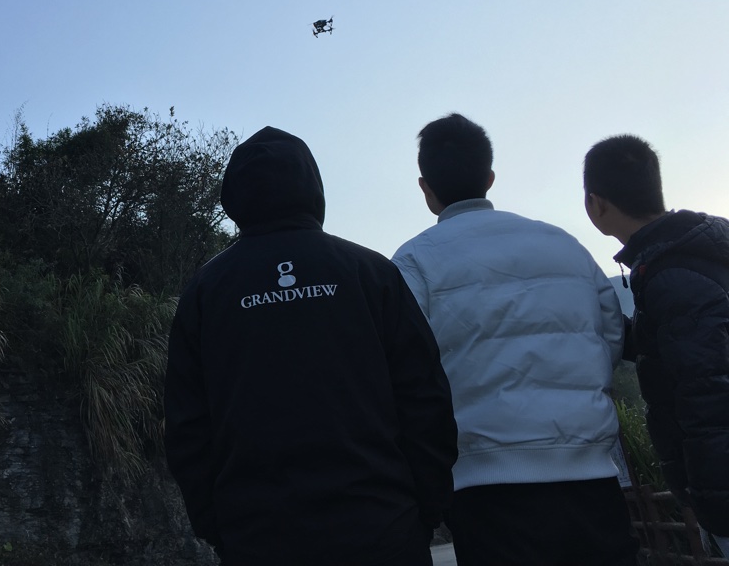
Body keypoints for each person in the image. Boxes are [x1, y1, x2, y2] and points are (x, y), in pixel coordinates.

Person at [164, 126, 457, 566]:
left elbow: (187, 427)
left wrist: (219, 528)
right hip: (383, 530)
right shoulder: (370, 273)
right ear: (313, 187)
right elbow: (426, 399)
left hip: (257, 540)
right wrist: (423, 511)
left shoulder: (206, 291)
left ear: (235, 196)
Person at [392, 113, 638, 566]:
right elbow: (610, 339)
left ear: (425, 188)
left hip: (485, 488)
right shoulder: (564, 245)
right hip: (592, 477)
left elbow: (406, 374)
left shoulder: (412, 262)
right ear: (489, 177)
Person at [584, 134, 729, 552]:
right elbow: (680, 348)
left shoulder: (671, 274)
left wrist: (713, 504)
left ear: (595, 204)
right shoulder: (690, 254)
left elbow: (708, 390)